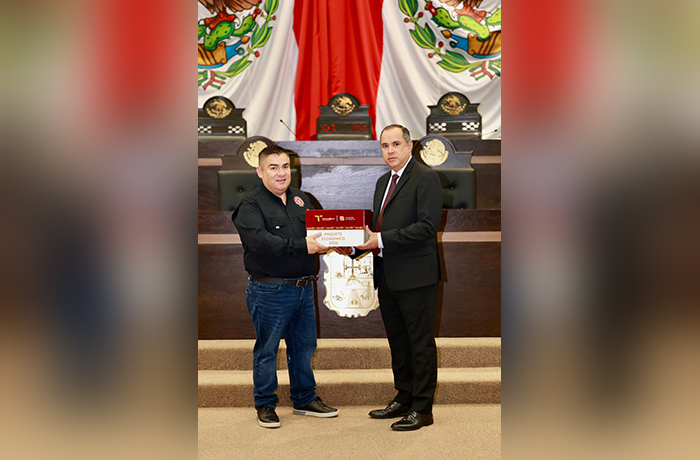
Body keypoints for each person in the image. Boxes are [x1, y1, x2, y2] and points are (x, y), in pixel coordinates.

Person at [232, 144, 339, 428]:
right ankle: (265, 404)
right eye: (273, 167)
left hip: (304, 288)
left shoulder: (302, 199)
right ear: (260, 171)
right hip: (270, 290)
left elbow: (321, 233)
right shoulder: (250, 205)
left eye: (285, 167)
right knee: (267, 350)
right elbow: (262, 243)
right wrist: (304, 245)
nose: (281, 173)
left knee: (303, 347)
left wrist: (342, 241)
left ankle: (304, 399)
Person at [354, 124, 443, 431]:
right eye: (384, 146)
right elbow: (379, 226)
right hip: (387, 274)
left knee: (419, 344)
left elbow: (427, 227)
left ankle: (422, 408)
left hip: (416, 276)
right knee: (399, 343)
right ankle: (404, 397)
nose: (390, 150)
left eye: (395, 144)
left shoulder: (426, 178)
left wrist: (378, 239)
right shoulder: (383, 181)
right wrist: (355, 244)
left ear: (409, 145)